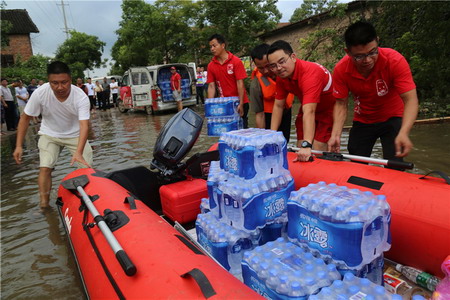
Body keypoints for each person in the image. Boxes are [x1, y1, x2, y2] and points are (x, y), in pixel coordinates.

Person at [327, 21, 418, 167]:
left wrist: (404, 132)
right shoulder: (341, 70)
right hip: (363, 119)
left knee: (395, 164)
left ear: (377, 42)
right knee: (356, 162)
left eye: (372, 52)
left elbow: (411, 99)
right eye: (359, 56)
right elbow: (341, 104)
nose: (368, 60)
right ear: (348, 52)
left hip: (392, 117)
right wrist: (335, 135)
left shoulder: (394, 61)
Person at [13, 61, 93, 208]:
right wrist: (18, 146)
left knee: (86, 168)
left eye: (64, 82)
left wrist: (79, 152)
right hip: (49, 134)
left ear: (71, 79)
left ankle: (85, 202)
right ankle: (44, 205)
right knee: (45, 167)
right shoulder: (40, 93)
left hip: (75, 134)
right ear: (49, 81)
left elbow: (84, 125)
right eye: (54, 83)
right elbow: (24, 118)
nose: (60, 87)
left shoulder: (80, 96)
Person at [267, 40, 335, 162]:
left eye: (282, 62)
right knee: (300, 147)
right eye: (273, 66)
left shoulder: (310, 73)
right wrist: (272, 135)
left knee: (316, 148)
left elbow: (310, 110)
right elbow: (278, 106)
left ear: (293, 57)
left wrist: (307, 145)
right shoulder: (282, 76)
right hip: (306, 107)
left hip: (327, 109)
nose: (278, 68)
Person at [250, 44, 294, 143]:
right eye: (261, 68)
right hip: (268, 117)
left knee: (284, 142)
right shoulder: (256, 85)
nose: (265, 71)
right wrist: (262, 139)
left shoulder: (284, 72)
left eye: (268, 66)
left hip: (286, 112)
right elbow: (259, 114)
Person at [206, 33, 250, 128]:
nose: (212, 49)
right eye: (210, 47)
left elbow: (240, 83)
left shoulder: (236, 61)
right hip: (224, 104)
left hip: (240, 102)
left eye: (214, 45)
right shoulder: (211, 65)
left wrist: (241, 103)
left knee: (241, 131)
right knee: (226, 131)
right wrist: (210, 106)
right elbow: (211, 86)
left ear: (222, 45)